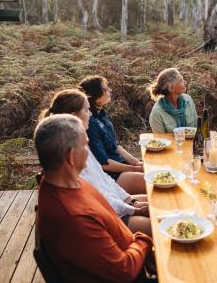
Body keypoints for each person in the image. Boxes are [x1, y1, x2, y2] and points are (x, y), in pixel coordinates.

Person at [35, 114, 153, 282]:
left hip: (131, 256)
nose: (90, 152)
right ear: (71, 156)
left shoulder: (71, 182)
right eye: (85, 146)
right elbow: (124, 271)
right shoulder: (72, 217)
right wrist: (144, 241)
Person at [41, 88, 151, 236]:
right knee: (157, 227)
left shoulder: (81, 143)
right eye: (87, 110)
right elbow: (97, 196)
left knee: (159, 204)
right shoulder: (71, 156)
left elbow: (103, 179)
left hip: (114, 206)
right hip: (108, 219)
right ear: (74, 116)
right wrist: (133, 209)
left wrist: (130, 201)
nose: (91, 114)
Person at [79, 76, 146, 195]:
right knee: (153, 182)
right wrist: (133, 169)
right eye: (105, 89)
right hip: (111, 175)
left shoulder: (102, 114)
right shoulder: (90, 123)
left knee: (154, 170)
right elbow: (104, 164)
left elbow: (116, 146)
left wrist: (136, 163)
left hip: (122, 167)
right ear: (95, 96)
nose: (110, 90)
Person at [148, 68, 197, 133]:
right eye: (181, 81)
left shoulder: (188, 100)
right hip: (171, 143)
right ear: (171, 88)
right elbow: (160, 139)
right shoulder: (157, 112)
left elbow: (196, 128)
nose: (185, 83)